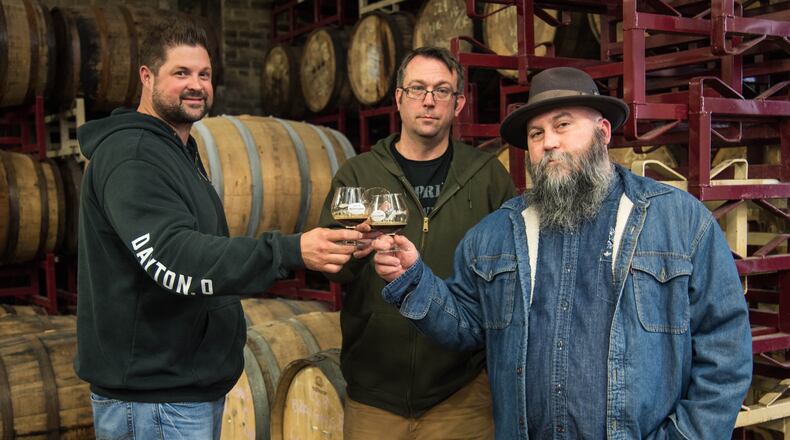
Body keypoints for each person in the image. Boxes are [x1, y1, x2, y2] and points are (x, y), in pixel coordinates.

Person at [373, 67, 752, 440]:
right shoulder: (495, 235)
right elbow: (466, 326)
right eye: (536, 134)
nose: (548, 142)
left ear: (603, 132)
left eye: (563, 125)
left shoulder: (680, 222)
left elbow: (726, 355)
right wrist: (413, 279)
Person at [74, 20, 360, 440]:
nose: (196, 85)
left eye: (203, 75)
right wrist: (289, 251)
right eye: (181, 73)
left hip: (180, 391)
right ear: (146, 77)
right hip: (154, 401)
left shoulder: (176, 150)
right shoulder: (133, 156)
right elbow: (174, 257)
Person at [318, 46, 515, 439]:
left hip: (460, 394)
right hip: (375, 394)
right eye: (417, 88)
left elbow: (509, 277)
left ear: (458, 104)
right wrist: (353, 252)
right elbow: (333, 267)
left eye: (442, 91)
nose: (429, 100)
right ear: (398, 98)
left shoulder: (488, 177)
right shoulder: (358, 173)